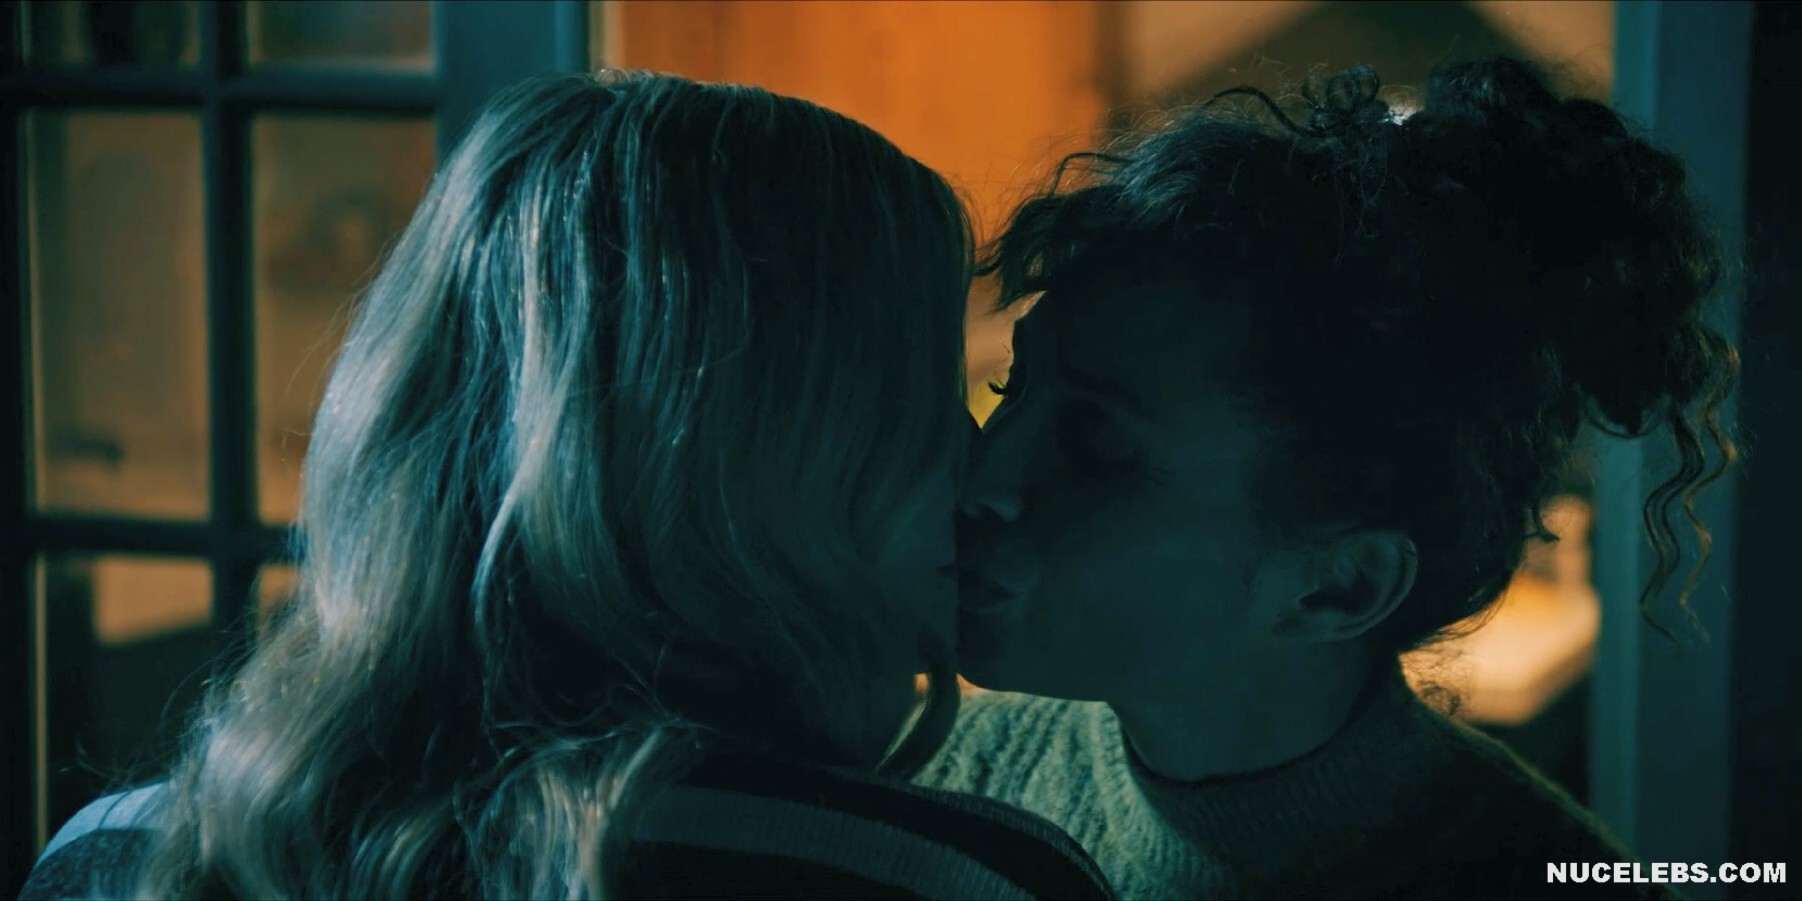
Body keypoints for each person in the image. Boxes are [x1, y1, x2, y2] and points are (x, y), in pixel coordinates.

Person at [22, 72, 1112, 900]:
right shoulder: (944, 879)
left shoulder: (114, 857)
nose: (976, 463)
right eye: (920, 398)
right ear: (759, 463)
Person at [923, 57, 1736, 899]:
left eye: (1095, 444)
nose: (977, 473)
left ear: (1337, 587)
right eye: (1013, 385)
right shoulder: (939, 780)